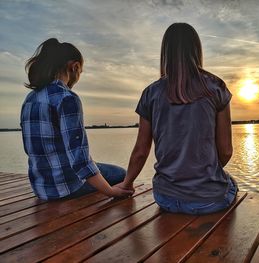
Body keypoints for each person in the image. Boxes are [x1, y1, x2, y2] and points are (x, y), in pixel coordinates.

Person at [117, 23, 238, 215]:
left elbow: (141, 151)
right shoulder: (216, 87)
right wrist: (203, 174)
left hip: (166, 199)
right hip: (208, 201)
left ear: (166, 52)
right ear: (196, 50)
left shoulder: (151, 93)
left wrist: (126, 184)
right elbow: (226, 151)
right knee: (231, 183)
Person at [21, 38, 133, 200]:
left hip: (41, 188)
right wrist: (111, 191)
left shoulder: (30, 98)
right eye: (80, 72)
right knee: (121, 174)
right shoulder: (67, 98)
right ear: (74, 67)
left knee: (99, 167)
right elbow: (80, 159)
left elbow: (31, 149)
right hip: (66, 188)